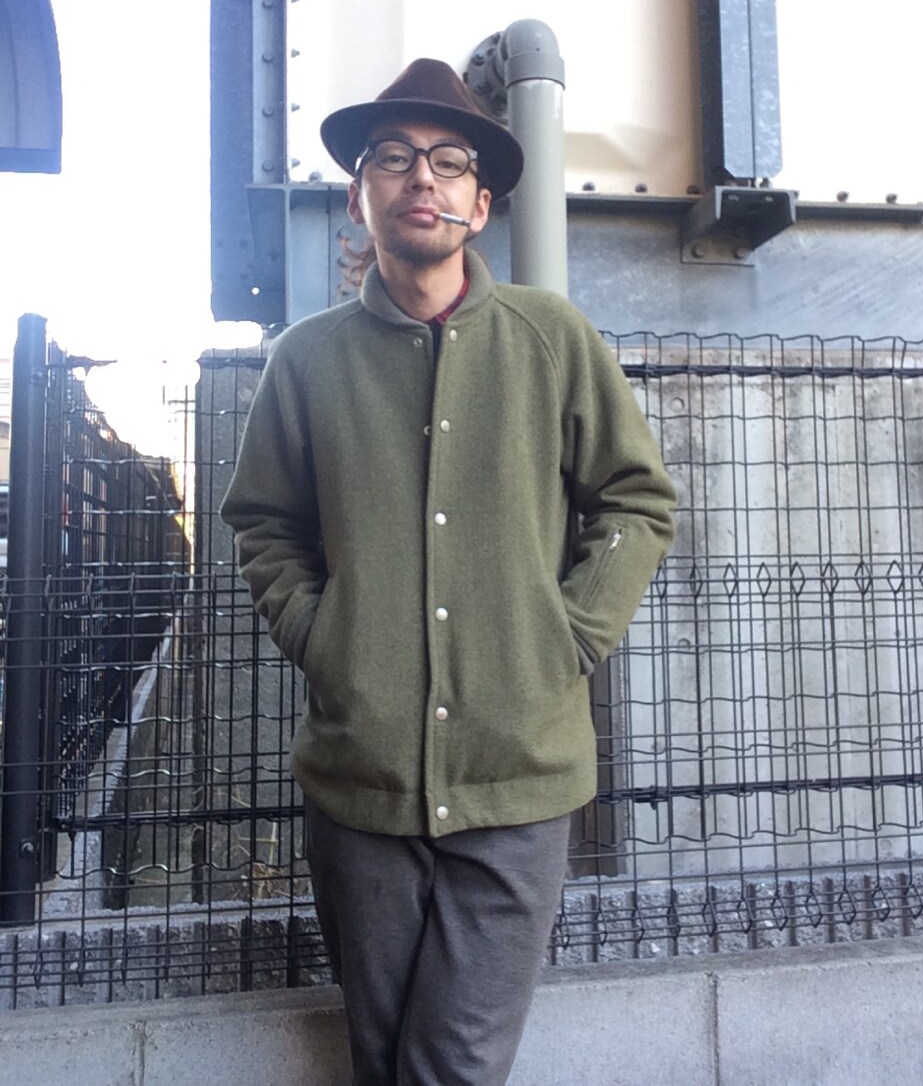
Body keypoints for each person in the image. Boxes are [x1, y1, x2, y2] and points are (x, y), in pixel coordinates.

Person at [220, 58, 677, 1085]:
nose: (420, 176)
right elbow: (263, 523)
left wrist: (569, 635)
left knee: (451, 1063)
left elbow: (637, 499)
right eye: (392, 157)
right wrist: (325, 637)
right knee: (383, 1057)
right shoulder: (306, 360)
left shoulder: (550, 339)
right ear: (360, 197)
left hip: (518, 777)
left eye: (448, 160)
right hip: (361, 783)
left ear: (481, 201)